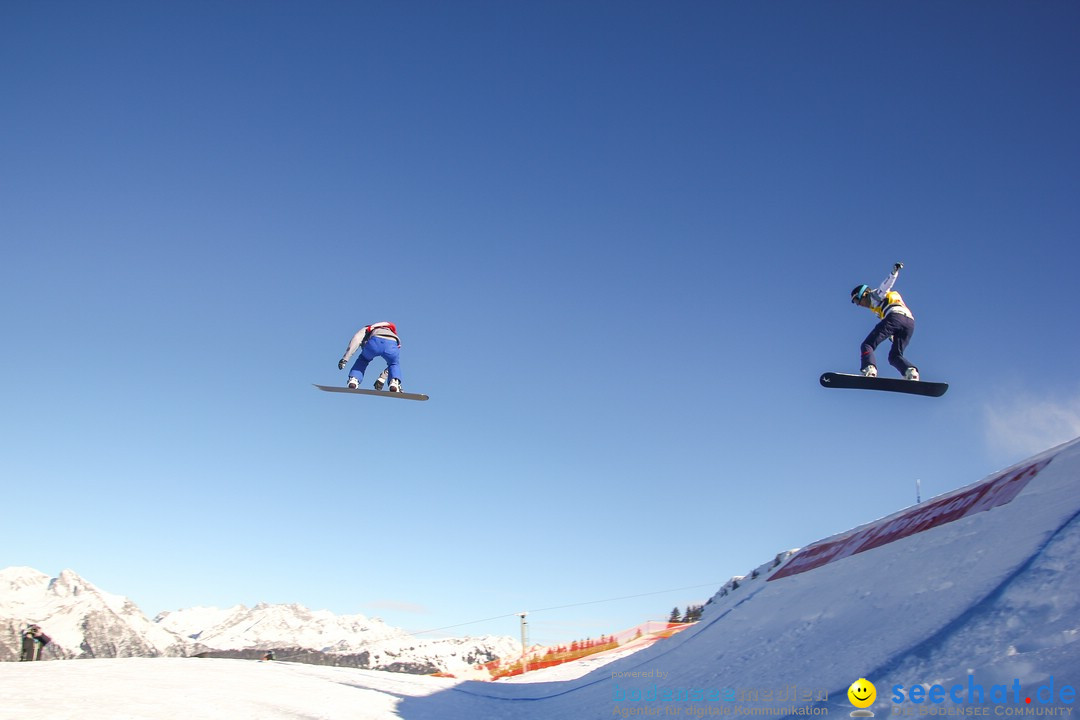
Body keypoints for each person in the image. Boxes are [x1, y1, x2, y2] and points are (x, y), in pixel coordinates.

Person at [851, 262, 919, 381]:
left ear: (864, 294)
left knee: (867, 345)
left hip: (895, 317)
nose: (859, 305)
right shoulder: (879, 308)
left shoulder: (876, 295)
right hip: (909, 323)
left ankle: (869, 369)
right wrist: (892, 335)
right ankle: (910, 372)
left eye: (857, 300)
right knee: (894, 356)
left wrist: (894, 273)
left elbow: (886, 285)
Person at [338, 322, 403, 392]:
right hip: (392, 344)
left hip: (374, 342)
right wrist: (382, 379)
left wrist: (345, 358)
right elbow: (394, 361)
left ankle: (354, 380)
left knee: (363, 360)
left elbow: (356, 339)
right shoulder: (393, 334)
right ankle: (394, 382)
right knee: (393, 364)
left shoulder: (368, 328)